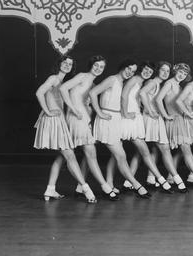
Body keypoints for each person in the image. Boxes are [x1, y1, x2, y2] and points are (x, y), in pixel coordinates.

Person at [34, 56, 96, 203]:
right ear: (59, 64)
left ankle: (50, 189)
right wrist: (48, 111)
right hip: (53, 120)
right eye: (65, 62)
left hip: (59, 120)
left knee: (62, 157)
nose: (67, 65)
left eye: (70, 64)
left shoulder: (63, 82)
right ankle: (86, 189)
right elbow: (39, 92)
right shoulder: (54, 78)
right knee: (70, 156)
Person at [89, 59, 151, 198]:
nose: (130, 72)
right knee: (120, 155)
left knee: (114, 155)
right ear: (122, 67)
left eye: (133, 71)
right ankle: (137, 185)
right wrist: (99, 112)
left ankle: (106, 184)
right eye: (128, 69)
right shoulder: (112, 79)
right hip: (107, 119)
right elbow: (93, 92)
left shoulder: (121, 82)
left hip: (116, 119)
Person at [59, 55, 118, 201]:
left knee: (85, 154)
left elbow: (89, 105)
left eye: (101, 67)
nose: (98, 69)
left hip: (84, 120)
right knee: (89, 153)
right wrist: (73, 109)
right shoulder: (82, 76)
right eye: (96, 65)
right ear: (91, 65)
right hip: (75, 118)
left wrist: (91, 116)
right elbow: (63, 88)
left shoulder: (93, 85)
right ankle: (103, 187)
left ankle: (82, 188)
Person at [156, 63, 193, 192]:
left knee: (184, 151)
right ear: (175, 71)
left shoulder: (178, 85)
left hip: (180, 120)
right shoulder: (169, 83)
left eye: (185, 74)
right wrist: (166, 116)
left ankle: (172, 178)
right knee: (185, 150)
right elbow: (159, 100)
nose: (182, 75)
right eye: (180, 72)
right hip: (174, 120)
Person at [120, 61, 173, 193]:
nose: (147, 73)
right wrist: (148, 110)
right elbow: (126, 95)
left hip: (136, 116)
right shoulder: (136, 79)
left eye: (150, 71)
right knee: (137, 152)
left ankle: (129, 182)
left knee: (141, 152)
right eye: (145, 70)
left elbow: (139, 97)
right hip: (130, 118)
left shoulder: (142, 81)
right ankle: (162, 180)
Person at [139, 61, 188, 192]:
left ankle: (149, 179)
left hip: (155, 118)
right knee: (163, 149)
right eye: (163, 70)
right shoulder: (153, 82)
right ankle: (177, 180)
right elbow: (143, 93)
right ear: (158, 71)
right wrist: (151, 111)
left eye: (167, 71)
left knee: (151, 151)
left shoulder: (159, 83)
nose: (166, 73)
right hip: (152, 119)